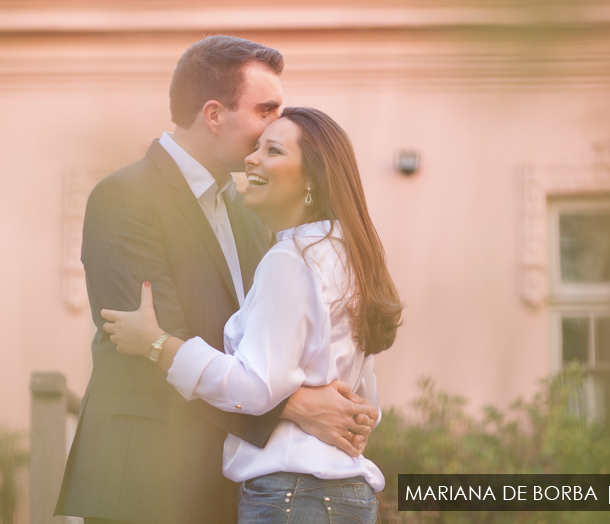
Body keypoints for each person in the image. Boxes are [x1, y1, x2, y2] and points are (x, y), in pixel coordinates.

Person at [55, 37, 377, 524]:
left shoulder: (253, 215)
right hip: (147, 480)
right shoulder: (124, 198)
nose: (276, 125)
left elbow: (266, 340)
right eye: (265, 111)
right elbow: (155, 342)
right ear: (213, 114)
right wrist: (293, 407)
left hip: (229, 482)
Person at [102, 107, 403, 524]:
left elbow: (254, 387)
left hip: (293, 496)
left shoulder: (292, 260)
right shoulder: (348, 258)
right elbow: (361, 400)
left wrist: (158, 344)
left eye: (273, 150)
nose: (252, 158)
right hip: (347, 496)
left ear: (313, 179)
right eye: (257, 146)